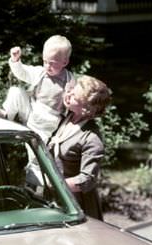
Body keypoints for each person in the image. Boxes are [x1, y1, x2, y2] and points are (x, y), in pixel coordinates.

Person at [47, 75, 112, 220]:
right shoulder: (69, 117)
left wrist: (54, 184)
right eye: (71, 91)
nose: (68, 95)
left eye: (74, 96)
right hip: (56, 198)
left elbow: (87, 180)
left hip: (76, 204)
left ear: (86, 109)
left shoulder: (91, 139)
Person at [0, 35, 75, 142]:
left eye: (52, 63)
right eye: (45, 61)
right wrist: (15, 61)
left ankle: (35, 155)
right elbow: (23, 73)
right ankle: (6, 116)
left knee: (35, 149)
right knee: (15, 91)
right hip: (31, 111)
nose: (48, 66)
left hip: (47, 123)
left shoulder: (69, 80)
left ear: (65, 62)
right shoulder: (41, 73)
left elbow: (75, 101)